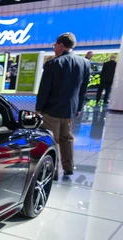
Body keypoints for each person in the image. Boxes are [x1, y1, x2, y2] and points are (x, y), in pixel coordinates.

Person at [36, 32, 91, 177]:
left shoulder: (53, 63)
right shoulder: (84, 63)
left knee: (51, 140)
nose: (54, 48)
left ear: (61, 45)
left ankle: (51, 171)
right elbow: (83, 89)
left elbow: (44, 89)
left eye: (54, 46)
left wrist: (39, 108)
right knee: (66, 138)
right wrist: (78, 108)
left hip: (51, 109)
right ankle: (68, 167)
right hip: (70, 109)